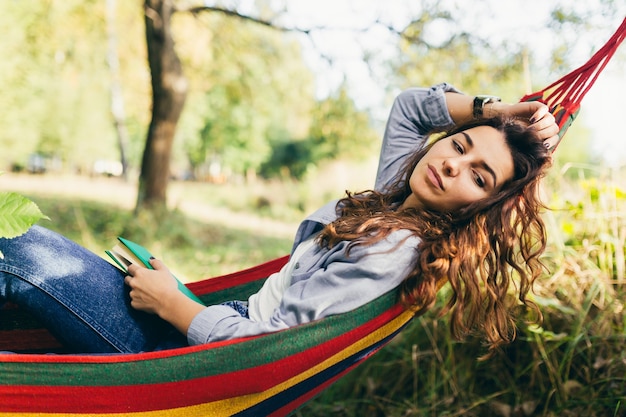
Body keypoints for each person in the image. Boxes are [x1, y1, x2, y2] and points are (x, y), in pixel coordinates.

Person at [0, 83, 558, 354]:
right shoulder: (396, 199)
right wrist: (500, 111)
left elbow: (267, 348)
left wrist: (175, 304)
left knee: (21, 253)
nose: (451, 164)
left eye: (478, 177)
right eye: (459, 145)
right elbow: (411, 108)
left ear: (478, 209)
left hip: (187, 364)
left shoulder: (394, 249)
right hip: (208, 325)